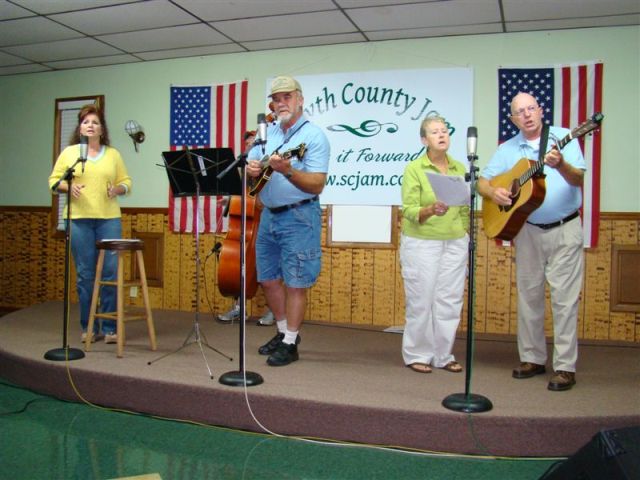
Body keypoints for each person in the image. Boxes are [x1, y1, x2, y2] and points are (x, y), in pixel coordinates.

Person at [478, 92, 585, 392]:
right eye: (519, 112)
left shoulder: (564, 137)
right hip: (527, 230)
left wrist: (561, 164)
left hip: (564, 229)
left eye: (530, 109)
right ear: (512, 119)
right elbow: (481, 182)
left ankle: (564, 367)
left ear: (540, 110)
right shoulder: (508, 149)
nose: (526, 115)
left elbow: (578, 179)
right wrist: (492, 193)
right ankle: (533, 358)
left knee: (564, 300)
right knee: (529, 297)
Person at [246, 75, 330, 366]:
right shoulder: (266, 134)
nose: (282, 103)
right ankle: (283, 333)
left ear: (300, 100)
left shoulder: (314, 136)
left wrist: (288, 171)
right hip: (268, 216)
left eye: (287, 97)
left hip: (299, 216)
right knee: (267, 279)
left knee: (295, 283)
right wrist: (252, 170)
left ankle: (291, 342)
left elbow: (317, 184)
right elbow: (251, 180)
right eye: (277, 99)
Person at [48, 104, 132, 344]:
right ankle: (89, 326)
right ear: (80, 128)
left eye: (95, 122)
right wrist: (68, 186)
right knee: (85, 275)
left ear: (102, 129)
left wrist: (117, 188)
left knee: (109, 273)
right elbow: (54, 181)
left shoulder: (113, 154)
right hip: (78, 220)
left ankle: (109, 327)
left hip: (109, 220)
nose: (90, 126)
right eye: (86, 122)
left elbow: (127, 182)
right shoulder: (70, 153)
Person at [399, 115, 469, 374]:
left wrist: (463, 232)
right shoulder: (415, 169)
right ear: (423, 139)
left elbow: (464, 207)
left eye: (445, 131)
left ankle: (443, 354)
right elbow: (408, 210)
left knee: (450, 300)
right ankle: (417, 353)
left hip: (455, 241)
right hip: (421, 242)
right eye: (435, 132)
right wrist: (430, 210)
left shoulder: (460, 168)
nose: (442, 135)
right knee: (421, 300)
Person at [217, 129, 274, 326]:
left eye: (253, 144)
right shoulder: (245, 169)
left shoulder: (269, 166)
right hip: (247, 226)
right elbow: (246, 197)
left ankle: (272, 310)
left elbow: (266, 198)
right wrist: (231, 200)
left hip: (266, 223)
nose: (250, 148)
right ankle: (239, 308)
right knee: (241, 265)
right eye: (248, 145)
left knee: (271, 269)